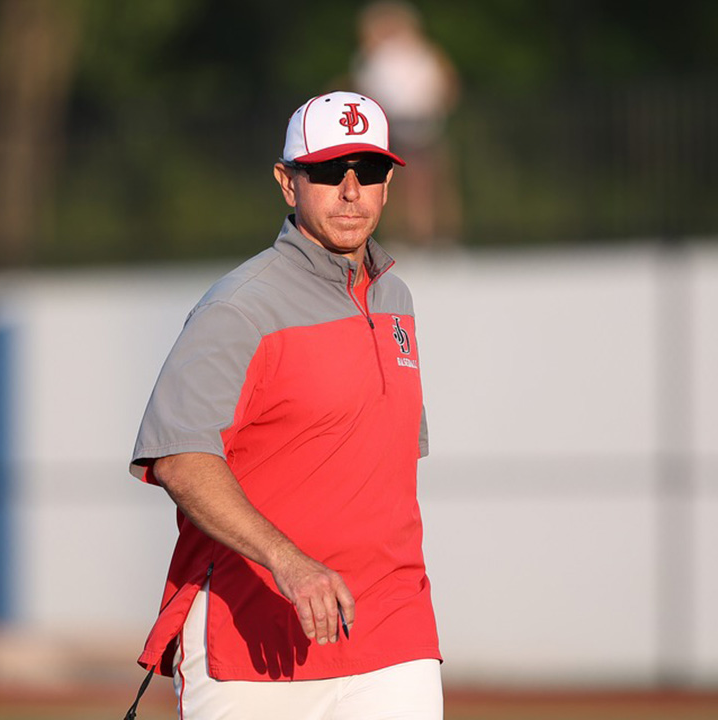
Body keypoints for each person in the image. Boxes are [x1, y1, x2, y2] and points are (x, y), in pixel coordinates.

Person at [128, 91, 442, 720]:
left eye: (369, 171)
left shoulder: (395, 298)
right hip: (253, 639)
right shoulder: (239, 307)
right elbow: (180, 458)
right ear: (287, 182)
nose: (351, 191)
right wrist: (291, 564)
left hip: (391, 631)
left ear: (387, 183)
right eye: (328, 172)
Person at [352, 0, 462, 246]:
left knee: (431, 183)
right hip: (394, 125)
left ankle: (439, 236)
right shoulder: (373, 60)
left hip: (424, 123)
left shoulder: (422, 55)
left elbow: (447, 84)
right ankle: (401, 237)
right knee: (391, 185)